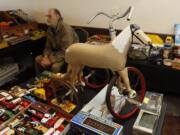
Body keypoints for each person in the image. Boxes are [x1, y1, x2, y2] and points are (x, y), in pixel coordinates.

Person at [35, 8, 79, 74]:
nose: (47, 19)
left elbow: (65, 51)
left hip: (68, 55)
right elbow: (48, 46)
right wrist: (45, 57)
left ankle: (54, 83)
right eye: (47, 16)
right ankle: (41, 81)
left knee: (55, 67)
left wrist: (51, 60)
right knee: (37, 59)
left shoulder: (66, 30)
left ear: (57, 17)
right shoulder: (49, 29)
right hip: (56, 53)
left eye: (50, 16)